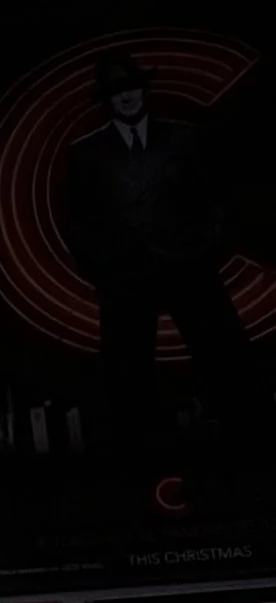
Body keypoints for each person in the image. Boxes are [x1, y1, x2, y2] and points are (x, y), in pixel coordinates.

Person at [60, 48, 265, 479]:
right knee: (127, 378)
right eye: (116, 91)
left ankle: (254, 457)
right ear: (106, 99)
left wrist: (202, 252)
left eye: (131, 87)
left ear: (143, 89)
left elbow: (217, 202)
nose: (126, 97)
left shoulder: (184, 138)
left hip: (190, 271)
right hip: (126, 281)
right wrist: (106, 273)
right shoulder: (86, 153)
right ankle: (139, 471)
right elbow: (78, 224)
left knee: (226, 362)